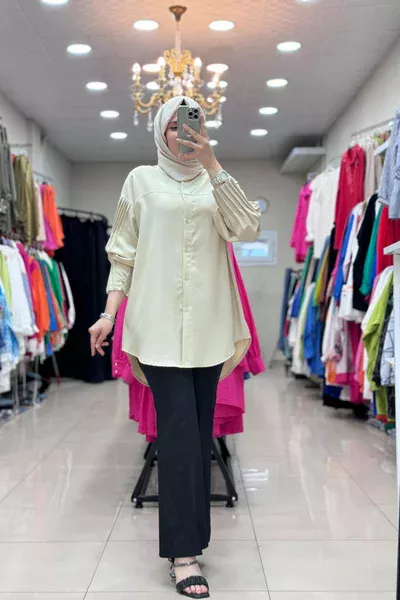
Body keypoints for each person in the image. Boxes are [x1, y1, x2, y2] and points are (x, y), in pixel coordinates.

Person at [89, 96, 261, 599]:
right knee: (180, 436)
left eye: (195, 123)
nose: (186, 132)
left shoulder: (214, 181)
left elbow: (246, 226)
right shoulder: (140, 181)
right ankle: (183, 555)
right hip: (157, 331)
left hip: (209, 330)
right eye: (176, 126)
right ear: (161, 131)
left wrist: (213, 164)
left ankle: (193, 540)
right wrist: (108, 314)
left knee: (199, 437)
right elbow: (123, 253)